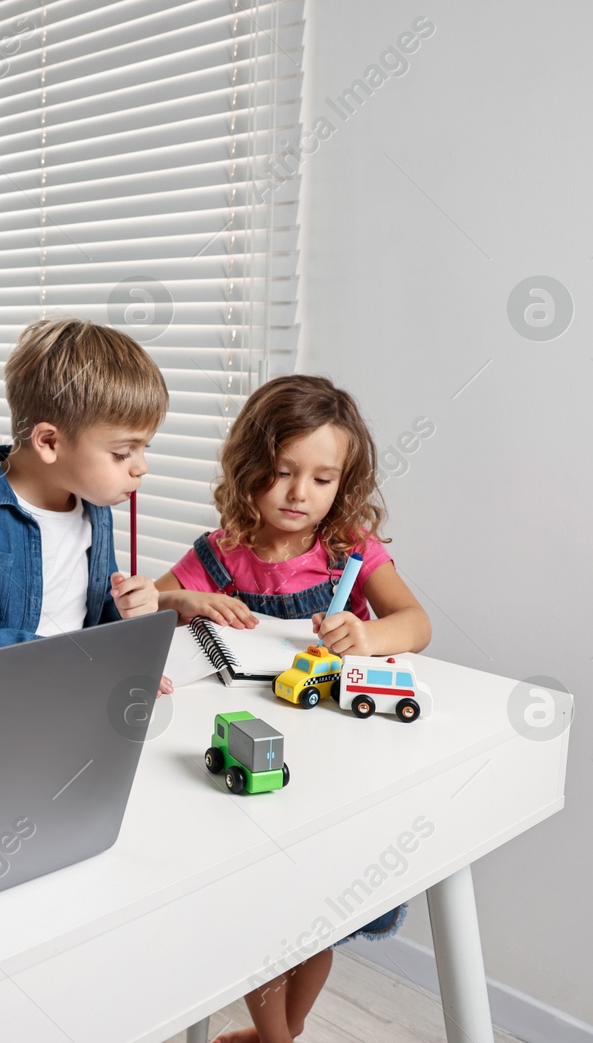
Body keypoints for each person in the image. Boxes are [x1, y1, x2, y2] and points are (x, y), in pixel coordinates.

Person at [156, 373, 431, 1043]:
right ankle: (276, 1037)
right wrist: (183, 600)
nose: (299, 494)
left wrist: (366, 636)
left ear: (345, 482)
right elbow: (148, 605)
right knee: (262, 915)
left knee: (317, 917)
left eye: (322, 477)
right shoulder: (221, 553)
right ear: (249, 466)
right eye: (282, 472)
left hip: (336, 759)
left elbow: (415, 623)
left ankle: (284, 1032)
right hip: (253, 756)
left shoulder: (349, 551)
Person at [0, 318, 169, 664]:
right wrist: (72, 658)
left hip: (77, 684)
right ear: (49, 442)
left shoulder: (94, 507)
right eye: (123, 452)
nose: (141, 467)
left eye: (144, 449)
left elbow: (94, 610)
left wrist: (132, 611)